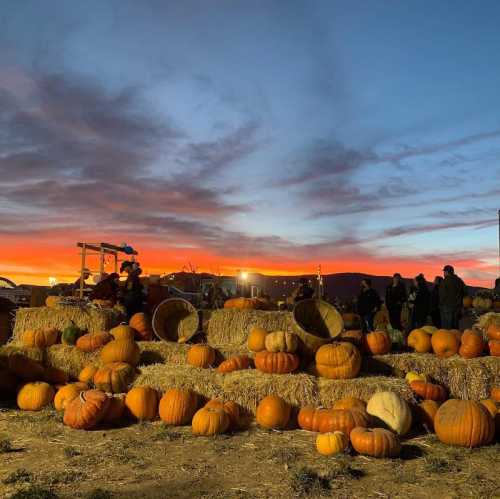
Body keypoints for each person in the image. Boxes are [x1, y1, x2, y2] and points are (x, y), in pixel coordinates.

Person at [439, 265, 466, 329]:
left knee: (447, 328)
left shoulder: (445, 281)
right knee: (455, 326)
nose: (444, 273)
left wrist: (440, 304)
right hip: (457, 307)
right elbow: (465, 292)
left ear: (447, 272)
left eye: (444, 272)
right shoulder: (459, 281)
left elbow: (442, 295)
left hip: (447, 307)